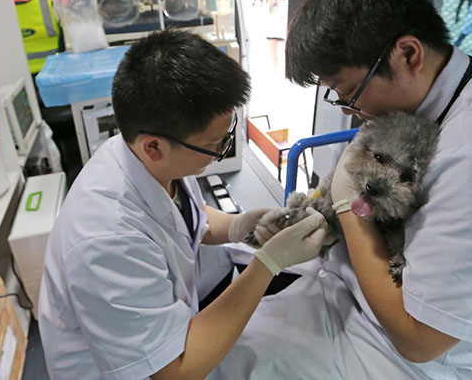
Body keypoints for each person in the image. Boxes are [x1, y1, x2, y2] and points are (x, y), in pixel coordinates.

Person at [212, 0, 472, 378]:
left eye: (351, 92)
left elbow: (418, 340)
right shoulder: (420, 104)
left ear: (408, 53)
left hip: (409, 360)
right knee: (219, 351)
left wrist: (348, 206)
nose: (352, 111)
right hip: (346, 299)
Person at [38, 29, 333, 379]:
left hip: (168, 328)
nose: (220, 150)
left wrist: (239, 225)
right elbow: (173, 371)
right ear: (154, 146)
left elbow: (183, 219)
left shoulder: (148, 156)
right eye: (214, 144)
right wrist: (267, 264)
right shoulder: (105, 237)